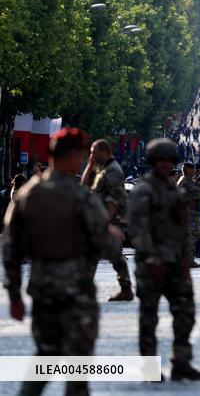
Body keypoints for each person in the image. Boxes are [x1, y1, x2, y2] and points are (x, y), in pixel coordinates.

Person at [3, 128, 123, 396]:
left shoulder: (27, 194)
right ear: (71, 155)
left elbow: (10, 250)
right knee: (78, 368)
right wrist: (113, 235)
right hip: (76, 291)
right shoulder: (80, 196)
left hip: (43, 289)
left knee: (45, 356)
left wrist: (14, 295)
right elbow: (105, 242)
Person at [128, 139, 200, 380]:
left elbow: (181, 226)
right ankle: (149, 367)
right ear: (152, 162)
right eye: (160, 161)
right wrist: (152, 259)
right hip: (151, 264)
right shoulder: (144, 190)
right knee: (149, 317)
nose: (164, 165)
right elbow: (139, 230)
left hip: (175, 261)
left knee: (185, 313)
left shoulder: (174, 190)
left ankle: (181, 362)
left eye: (168, 161)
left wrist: (185, 257)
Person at [81, 138, 133, 301]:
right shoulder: (100, 169)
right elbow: (84, 186)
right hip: (102, 219)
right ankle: (124, 288)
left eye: (94, 153)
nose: (92, 155)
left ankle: (85, 290)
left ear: (105, 152)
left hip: (111, 219)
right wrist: (89, 166)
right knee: (106, 254)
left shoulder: (113, 170)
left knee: (108, 254)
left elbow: (113, 201)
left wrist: (105, 224)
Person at [176, 161, 200, 266]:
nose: (194, 171)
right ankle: (188, 260)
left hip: (191, 212)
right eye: (192, 169)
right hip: (190, 213)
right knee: (191, 237)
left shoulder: (188, 180)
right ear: (187, 170)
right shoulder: (186, 182)